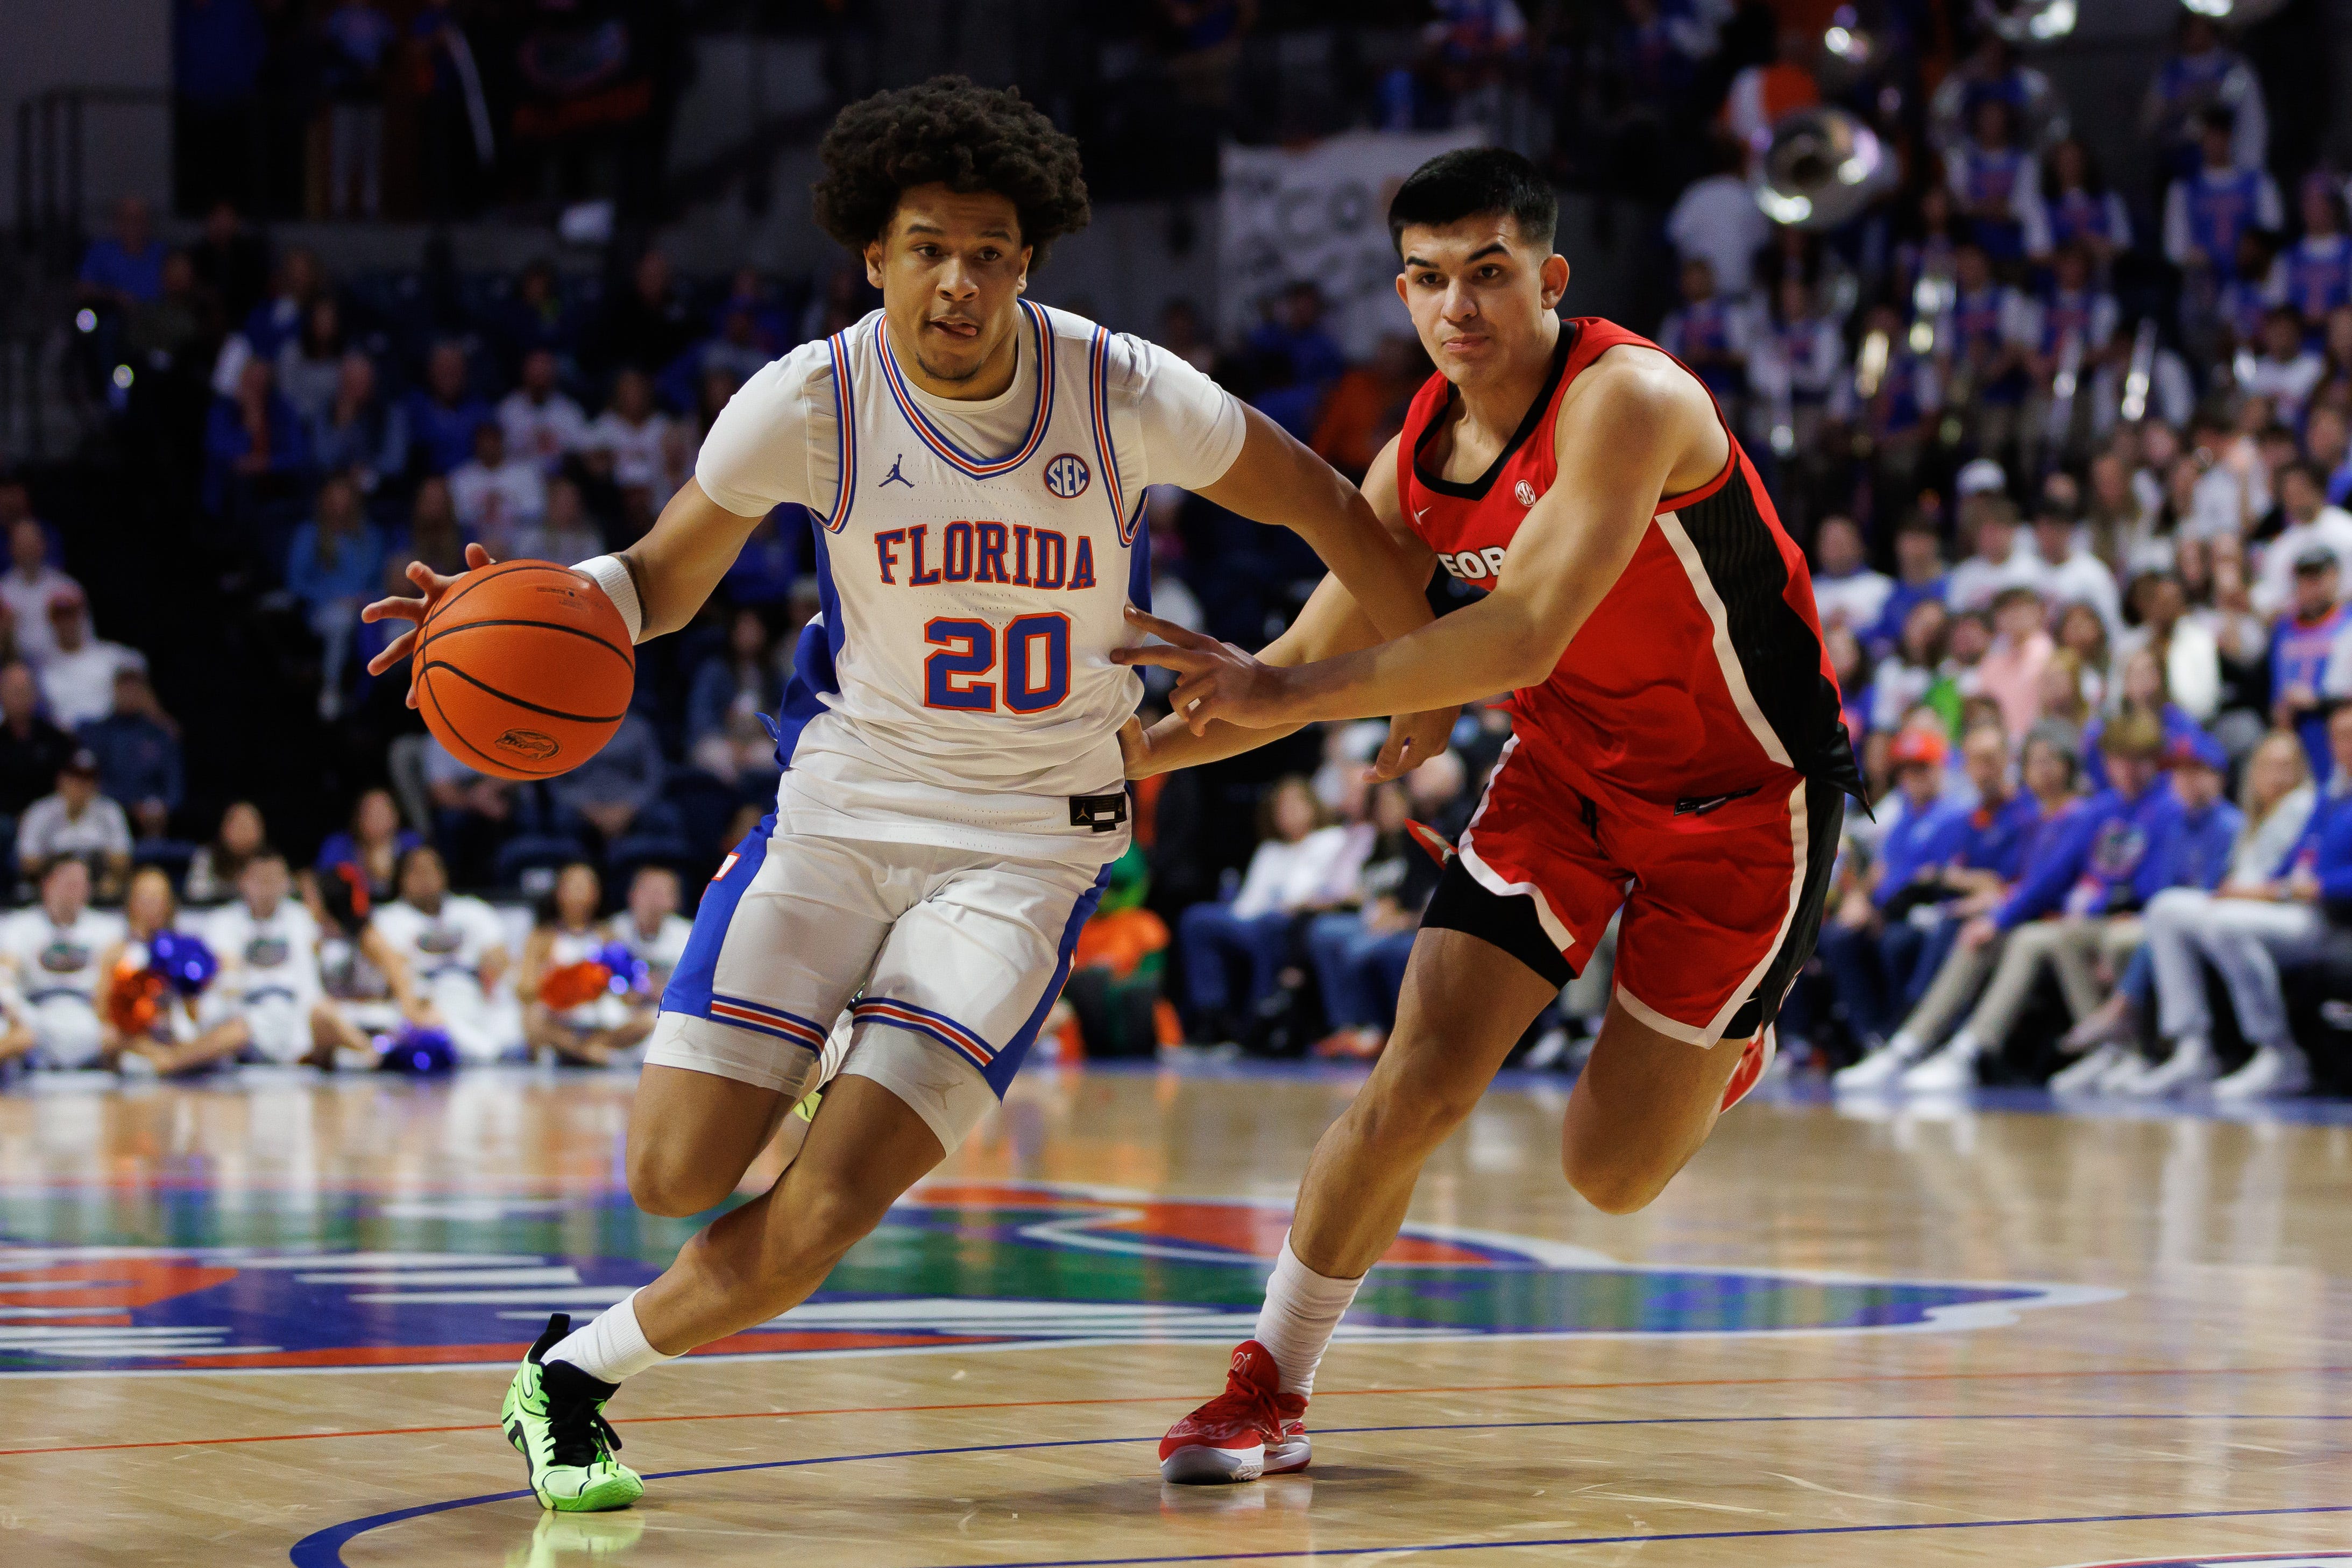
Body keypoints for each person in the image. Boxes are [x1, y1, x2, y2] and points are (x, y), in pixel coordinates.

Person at [359, 75, 1444, 1515]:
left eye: (990, 249)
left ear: (1028, 260)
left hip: (1025, 850)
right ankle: (816, 1050)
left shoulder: (1118, 387)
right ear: (873, 255)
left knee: (818, 1216)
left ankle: (573, 1371)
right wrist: (521, 606)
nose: (959, 278)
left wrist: (1418, 676)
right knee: (676, 1172)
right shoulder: (810, 399)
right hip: (845, 812)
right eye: (928, 244)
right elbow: (663, 579)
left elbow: (1326, 505)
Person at [1115, 146, 1862, 1484]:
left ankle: (1729, 1044)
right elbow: (1285, 666)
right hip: (1563, 780)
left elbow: (1516, 632)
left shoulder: (1627, 399)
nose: (1455, 306)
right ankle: (1266, 1386)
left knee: (1609, 1174)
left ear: (1548, 277)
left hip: (1743, 802)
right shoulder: (1417, 458)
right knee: (1413, 1081)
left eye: (1487, 274)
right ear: (1400, 291)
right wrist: (1126, 759)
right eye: (1425, 279)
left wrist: (1296, 684)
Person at [1855, 712, 2179, 1092]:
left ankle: (1969, 1049)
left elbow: (2058, 879)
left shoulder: (2102, 811)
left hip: (2106, 918)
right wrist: (2002, 907)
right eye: (2117, 759)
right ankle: (1911, 1044)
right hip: (2075, 917)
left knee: (2016, 936)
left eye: (2136, 759)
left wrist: (2004, 912)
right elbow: (2042, 879)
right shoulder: (2097, 809)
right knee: (1974, 932)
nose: (2126, 769)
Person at [2070, 727, 2313, 1095]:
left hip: (2285, 914)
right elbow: (2157, 886)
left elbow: (2292, 878)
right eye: (2265, 766)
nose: (2185, 781)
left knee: (2182, 917)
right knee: (2163, 911)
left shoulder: (2294, 809)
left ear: (2218, 776)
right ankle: (2185, 1046)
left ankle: (2269, 1047)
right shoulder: (2232, 820)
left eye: (2196, 771)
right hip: (2238, 909)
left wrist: (2251, 892)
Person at [1175, 776, 1358, 1044]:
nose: (1289, 813)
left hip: (1295, 923)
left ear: (1312, 806)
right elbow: (1248, 904)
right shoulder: (1269, 850)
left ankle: (1258, 1021)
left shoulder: (1331, 840)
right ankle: (1211, 1014)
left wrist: (1289, 906)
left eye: (1295, 805)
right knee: (1197, 919)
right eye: (1282, 808)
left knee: (1271, 925)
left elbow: (1327, 891)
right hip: (1257, 920)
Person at [153, 850, 353, 1072]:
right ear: (243, 881)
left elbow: (321, 950)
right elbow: (227, 974)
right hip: (248, 1009)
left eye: (275, 879)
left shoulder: (301, 917)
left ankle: (373, 1056)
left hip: (297, 1013)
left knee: (327, 1013)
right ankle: (169, 1062)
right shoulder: (224, 920)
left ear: (286, 883)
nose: (268, 887)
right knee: (238, 1030)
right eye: (261, 879)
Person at [370, 845, 517, 1065]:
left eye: (432, 870)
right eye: (416, 872)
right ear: (401, 878)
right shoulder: (387, 918)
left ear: (444, 874)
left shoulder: (472, 910)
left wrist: (491, 972)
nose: (425, 878)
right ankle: (482, 1052)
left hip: (474, 994)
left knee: (514, 1024)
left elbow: (499, 956)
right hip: (429, 999)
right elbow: (395, 971)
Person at [0, 857, 124, 1069]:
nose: (76, 890)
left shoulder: (108, 928)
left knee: (127, 1042)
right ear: (47, 884)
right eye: (69, 883)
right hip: (35, 1013)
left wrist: (106, 1022)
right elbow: (5, 977)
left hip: (87, 1014)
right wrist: (19, 1018)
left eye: (82, 884)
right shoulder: (18, 925)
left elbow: (113, 983)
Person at [518, 862, 647, 1067]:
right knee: (532, 1018)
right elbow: (525, 989)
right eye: (574, 887)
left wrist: (603, 986)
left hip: (599, 1019)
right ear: (559, 893)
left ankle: (583, 1050)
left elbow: (630, 992)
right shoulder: (542, 937)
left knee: (648, 1020)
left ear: (597, 894)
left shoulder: (608, 935)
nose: (580, 895)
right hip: (560, 1020)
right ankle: (588, 1053)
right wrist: (565, 984)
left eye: (587, 887)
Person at [77, 667, 183, 842]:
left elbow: (174, 783)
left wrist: (163, 805)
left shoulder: (160, 734)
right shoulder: (97, 733)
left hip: (156, 817)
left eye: (134, 690)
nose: (129, 695)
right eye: (124, 689)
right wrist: (131, 806)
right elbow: (93, 781)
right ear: (114, 692)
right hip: (111, 811)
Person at [16, 751, 132, 900]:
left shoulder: (110, 811)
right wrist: (62, 867)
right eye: (75, 777)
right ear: (61, 779)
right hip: (49, 884)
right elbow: (28, 861)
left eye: (87, 779)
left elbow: (123, 859)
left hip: (98, 886)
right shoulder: (41, 811)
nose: (80, 785)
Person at [40, 588, 143, 731]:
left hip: (109, 737)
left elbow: (139, 667)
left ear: (82, 616)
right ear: (52, 621)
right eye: (60, 617)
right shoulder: (43, 666)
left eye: (71, 615)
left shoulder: (108, 655)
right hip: (67, 740)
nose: (66, 622)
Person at [315, 788, 420, 905]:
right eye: (369, 812)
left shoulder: (412, 843)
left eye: (382, 811)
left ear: (396, 816)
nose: (376, 819)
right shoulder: (337, 845)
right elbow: (321, 886)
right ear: (357, 818)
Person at [0, 662, 75, 820]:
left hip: (50, 816)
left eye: (24, 691)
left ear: (34, 694)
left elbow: (66, 783)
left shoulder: (56, 738)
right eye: (14, 692)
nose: (20, 698)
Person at [0, 519, 78, 669]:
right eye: (22, 544)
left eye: (32, 543)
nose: (27, 549)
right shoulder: (2, 591)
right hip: (14, 670)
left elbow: (86, 642)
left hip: (62, 667)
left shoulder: (67, 588)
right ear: (11, 548)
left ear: (43, 545)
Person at [185, 800, 267, 904]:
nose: (244, 833)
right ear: (225, 829)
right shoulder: (206, 857)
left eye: (250, 826)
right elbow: (197, 895)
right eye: (239, 826)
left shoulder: (269, 860)